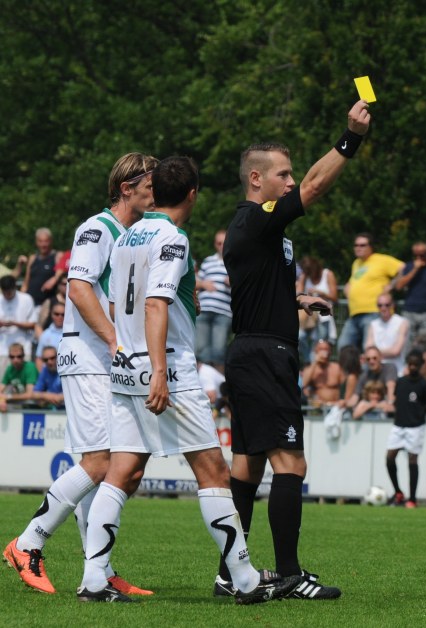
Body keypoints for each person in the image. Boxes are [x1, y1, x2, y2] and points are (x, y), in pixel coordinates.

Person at [76, 156, 297, 604]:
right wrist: (159, 369)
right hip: (167, 368)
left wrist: (133, 353)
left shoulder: (127, 235)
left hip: (124, 363)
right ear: (192, 194)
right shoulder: (172, 237)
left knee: (122, 471)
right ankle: (246, 580)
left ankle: (94, 578)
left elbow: (121, 303)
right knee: (213, 471)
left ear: (154, 190)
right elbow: (157, 303)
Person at [219, 99, 371, 601]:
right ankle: (287, 574)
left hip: (253, 350)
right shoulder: (256, 219)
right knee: (291, 464)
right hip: (264, 356)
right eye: (281, 174)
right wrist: (350, 138)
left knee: (248, 465)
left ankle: (230, 574)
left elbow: (256, 287)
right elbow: (313, 187)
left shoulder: (263, 232)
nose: (290, 182)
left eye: (290, 174)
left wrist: (296, 299)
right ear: (256, 180)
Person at [2, 153, 159, 596]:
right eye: (150, 183)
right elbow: (79, 287)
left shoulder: (131, 234)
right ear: (127, 187)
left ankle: (99, 572)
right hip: (89, 358)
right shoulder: (97, 228)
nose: (156, 190)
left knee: (109, 466)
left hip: (105, 360)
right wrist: (115, 340)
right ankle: (28, 543)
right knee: (101, 463)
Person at [384, 350, 426, 508]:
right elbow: (396, 400)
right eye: (410, 364)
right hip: (399, 425)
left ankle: (412, 498)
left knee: (412, 459)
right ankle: (398, 492)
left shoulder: (425, 385)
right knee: (390, 457)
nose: (412, 367)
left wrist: (418, 413)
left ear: (420, 365)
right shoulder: (401, 381)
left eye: (415, 364)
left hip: (416, 427)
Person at [338, 233, 404, 350]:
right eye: (356, 245)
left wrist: (392, 285)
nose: (358, 248)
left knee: (369, 349)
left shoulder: (381, 259)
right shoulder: (356, 263)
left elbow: (404, 268)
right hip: (354, 313)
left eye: (363, 245)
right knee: (343, 348)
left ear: (371, 247)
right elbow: (357, 280)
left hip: (373, 312)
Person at [195, 229, 232, 372]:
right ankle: (203, 385)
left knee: (219, 350)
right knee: (200, 349)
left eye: (224, 243)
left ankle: (216, 388)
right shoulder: (208, 261)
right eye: (219, 243)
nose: (222, 246)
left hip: (224, 312)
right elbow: (196, 282)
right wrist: (204, 284)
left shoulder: (235, 262)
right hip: (204, 309)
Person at [297, 256, 338, 363]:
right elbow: (298, 295)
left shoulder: (327, 274)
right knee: (300, 337)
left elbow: (335, 297)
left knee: (319, 345)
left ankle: (313, 365)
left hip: (324, 317)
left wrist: (321, 294)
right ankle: (309, 363)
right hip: (309, 317)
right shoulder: (305, 276)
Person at [0, 274, 37, 374]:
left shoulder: (26, 299)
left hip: (24, 349)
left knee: (24, 384)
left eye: (9, 292)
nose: (7, 295)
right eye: (4, 293)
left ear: (15, 288)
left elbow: (33, 324)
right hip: (2, 350)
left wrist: (15, 323)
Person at [21, 227, 64, 308]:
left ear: (50, 241)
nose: (43, 244)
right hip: (29, 303)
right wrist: (21, 299)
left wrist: (54, 279)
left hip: (47, 304)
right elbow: (26, 283)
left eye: (46, 241)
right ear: (36, 242)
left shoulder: (58, 256)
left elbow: (63, 272)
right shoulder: (32, 258)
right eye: (40, 241)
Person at [366, 294, 410, 373]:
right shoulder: (373, 324)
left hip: (397, 369)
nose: (383, 308)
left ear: (392, 305)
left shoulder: (402, 322)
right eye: (380, 305)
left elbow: (396, 351)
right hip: (376, 369)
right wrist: (385, 352)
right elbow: (368, 349)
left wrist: (375, 353)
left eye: (387, 305)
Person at [301, 339, 344, 405]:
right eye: (321, 349)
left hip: (335, 407)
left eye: (326, 349)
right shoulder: (311, 369)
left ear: (330, 351)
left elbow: (345, 386)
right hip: (318, 408)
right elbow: (303, 384)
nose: (324, 352)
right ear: (316, 351)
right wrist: (315, 362)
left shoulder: (337, 367)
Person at [0, 343, 38, 412]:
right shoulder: (10, 369)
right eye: (12, 357)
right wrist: (2, 401)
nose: (15, 360)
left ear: (23, 356)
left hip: (36, 405)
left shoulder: (30, 367)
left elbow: (29, 395)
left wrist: (8, 397)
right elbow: (1, 389)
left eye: (19, 356)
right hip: (22, 405)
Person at [35, 302, 65, 370]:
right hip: (50, 373)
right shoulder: (45, 334)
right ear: (51, 314)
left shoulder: (71, 333)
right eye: (56, 314)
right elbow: (39, 358)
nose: (60, 317)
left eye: (63, 314)